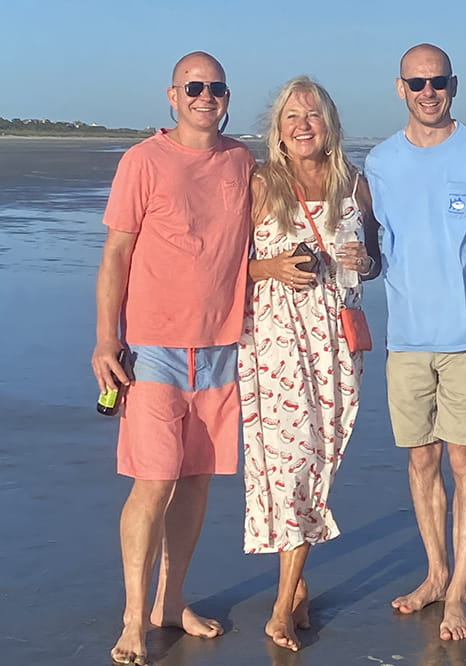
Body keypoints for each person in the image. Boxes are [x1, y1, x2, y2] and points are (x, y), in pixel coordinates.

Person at [90, 52, 256, 665]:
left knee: (194, 482)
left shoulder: (241, 160)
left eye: (214, 87)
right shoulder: (143, 160)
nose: (204, 96)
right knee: (153, 481)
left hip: (221, 349)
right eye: (194, 87)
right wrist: (106, 338)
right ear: (172, 95)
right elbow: (115, 255)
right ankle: (134, 619)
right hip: (154, 349)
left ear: (226, 95)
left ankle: (172, 600)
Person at [364, 43, 466, 641]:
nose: (429, 92)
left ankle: (458, 593)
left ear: (455, 84)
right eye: (418, 83)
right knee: (421, 459)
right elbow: (374, 251)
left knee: (464, 459)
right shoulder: (378, 163)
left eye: (439, 81)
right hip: (405, 339)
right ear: (400, 88)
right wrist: (359, 262)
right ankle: (434, 573)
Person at [238, 76, 381, 651]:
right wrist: (271, 269)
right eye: (291, 117)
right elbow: (225, 269)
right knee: (291, 462)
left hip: (335, 338)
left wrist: (363, 260)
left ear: (330, 125)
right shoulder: (260, 183)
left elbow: (372, 265)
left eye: (313, 116)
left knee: (321, 460)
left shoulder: (354, 184)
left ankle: (296, 591)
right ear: (278, 128)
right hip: (273, 339)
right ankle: (280, 607)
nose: (302, 125)